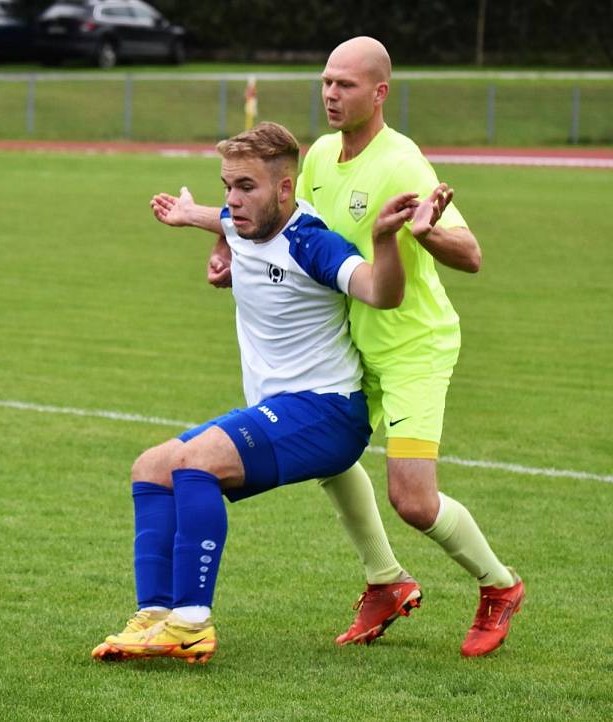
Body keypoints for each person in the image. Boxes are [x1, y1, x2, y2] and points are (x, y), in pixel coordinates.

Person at [149, 37, 524, 658]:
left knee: (412, 499)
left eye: (345, 84)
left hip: (410, 346)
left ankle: (499, 585)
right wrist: (219, 239)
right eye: (325, 81)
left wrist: (426, 236)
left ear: (379, 93)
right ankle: (386, 582)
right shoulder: (320, 156)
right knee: (330, 452)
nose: (329, 93)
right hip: (350, 337)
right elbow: (282, 224)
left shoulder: (401, 163)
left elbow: (472, 255)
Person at [92, 121, 446, 664]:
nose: (232, 200)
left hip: (328, 412)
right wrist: (193, 217)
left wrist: (382, 241)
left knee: (197, 461)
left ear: (286, 190)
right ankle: (155, 616)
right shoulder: (242, 224)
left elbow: (382, 292)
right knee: (151, 467)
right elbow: (229, 223)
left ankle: (190, 622)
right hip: (277, 410)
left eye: (246, 187)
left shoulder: (312, 242)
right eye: (227, 185)